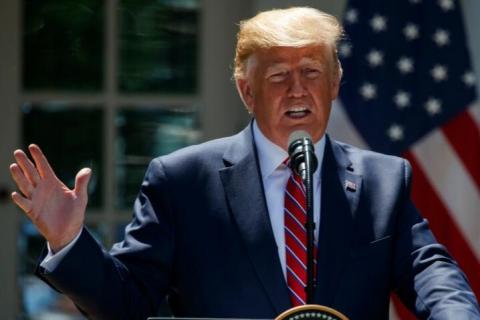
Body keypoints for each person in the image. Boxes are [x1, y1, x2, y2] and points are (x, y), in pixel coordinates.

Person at [9, 7, 480, 320]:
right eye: (279, 76)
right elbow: (127, 302)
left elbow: (430, 272)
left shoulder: (383, 180)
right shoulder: (183, 181)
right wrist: (68, 240)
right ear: (246, 91)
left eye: (312, 73)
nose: (298, 90)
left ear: (335, 84)